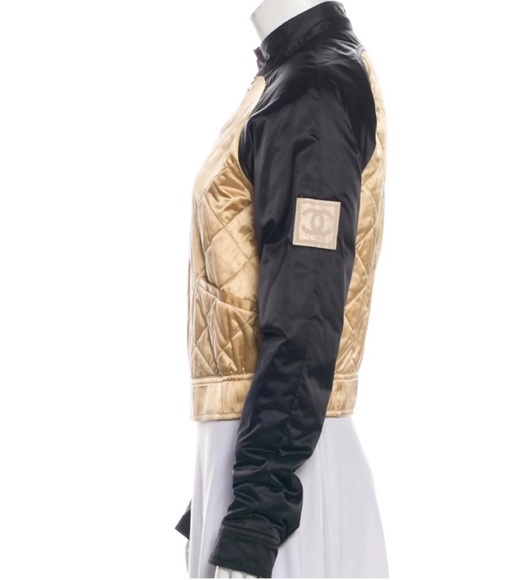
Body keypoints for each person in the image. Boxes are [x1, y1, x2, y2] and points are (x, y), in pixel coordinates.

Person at [175, 0, 389, 576]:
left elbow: (306, 315)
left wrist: (254, 518)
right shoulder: (289, 77)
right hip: (266, 458)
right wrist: (215, 487)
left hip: (284, 486)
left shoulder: (312, 89)